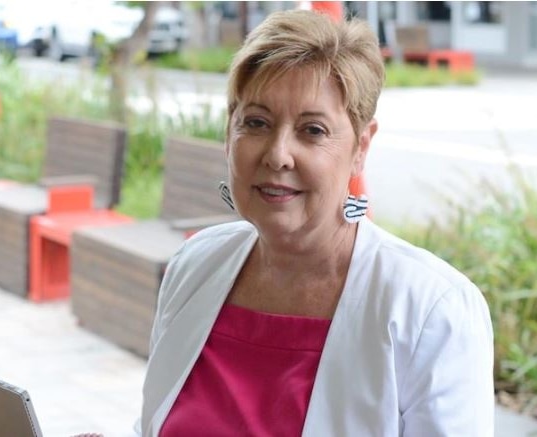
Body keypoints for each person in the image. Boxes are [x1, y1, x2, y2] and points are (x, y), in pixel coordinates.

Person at [139, 9, 494, 437]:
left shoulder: (432, 310)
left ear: (361, 147)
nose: (277, 155)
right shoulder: (194, 264)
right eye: (256, 123)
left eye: (312, 130)